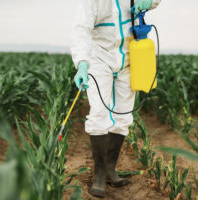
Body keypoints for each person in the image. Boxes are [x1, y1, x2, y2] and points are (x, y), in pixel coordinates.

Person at [70, 0, 161, 198]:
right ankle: (100, 174)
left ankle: (111, 169)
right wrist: (82, 63)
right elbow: (81, 29)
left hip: (130, 56)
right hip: (99, 57)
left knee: (123, 114)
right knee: (99, 113)